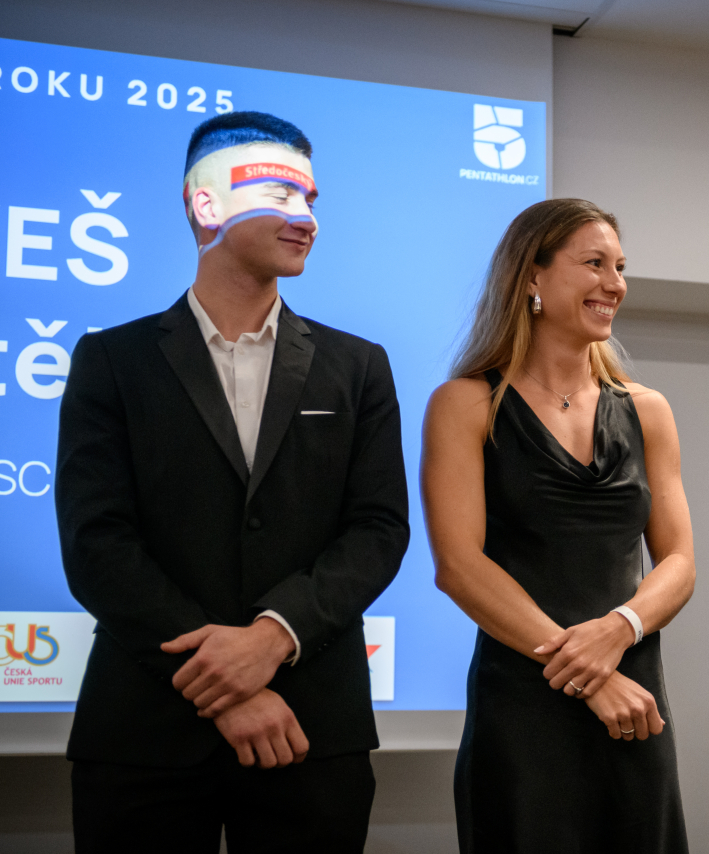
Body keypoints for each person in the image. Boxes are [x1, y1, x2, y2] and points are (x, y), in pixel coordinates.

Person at [55, 111, 410, 853]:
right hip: (146, 732)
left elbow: (378, 531)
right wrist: (225, 684)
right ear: (206, 203)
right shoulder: (112, 361)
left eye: (311, 199)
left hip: (312, 727)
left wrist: (273, 639)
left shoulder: (358, 366)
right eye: (282, 195)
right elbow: (97, 544)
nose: (306, 218)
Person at [422, 198, 694, 852]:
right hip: (524, 712)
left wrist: (618, 629)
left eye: (620, 267)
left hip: (635, 706)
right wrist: (589, 672)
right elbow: (459, 567)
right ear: (532, 278)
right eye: (594, 263)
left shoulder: (648, 410)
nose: (615, 284)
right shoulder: (466, 404)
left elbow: (679, 563)